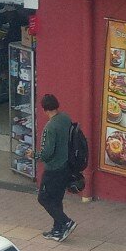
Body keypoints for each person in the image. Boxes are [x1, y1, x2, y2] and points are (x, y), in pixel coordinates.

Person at [30, 94, 77, 242]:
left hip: (53, 168)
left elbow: (47, 152)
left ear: (44, 109)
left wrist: (34, 155)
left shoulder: (50, 127)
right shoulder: (65, 118)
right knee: (56, 199)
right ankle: (57, 229)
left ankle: (65, 221)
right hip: (66, 166)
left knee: (43, 198)